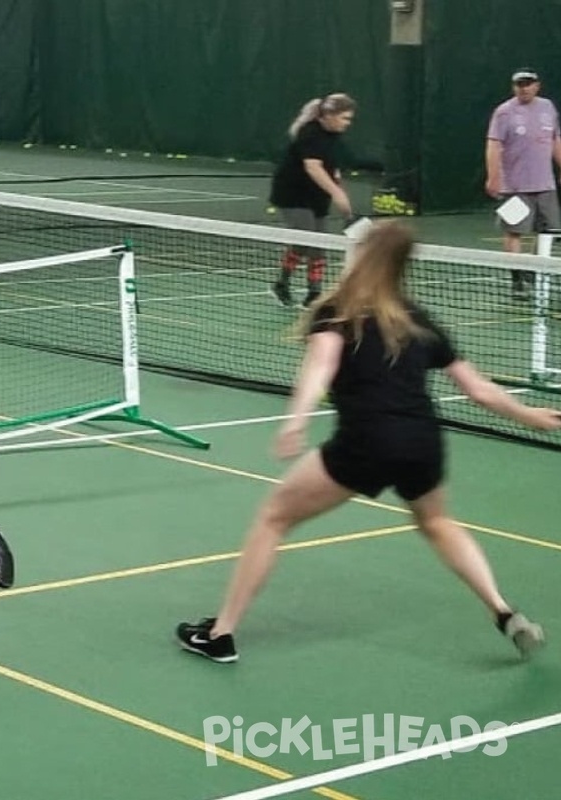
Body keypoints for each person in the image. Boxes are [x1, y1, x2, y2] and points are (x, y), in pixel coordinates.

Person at [176, 220, 559, 665]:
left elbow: (319, 366)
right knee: (437, 523)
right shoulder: (418, 319)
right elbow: (480, 390)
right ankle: (504, 612)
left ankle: (220, 634)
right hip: (422, 439)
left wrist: (295, 421)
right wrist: (530, 416)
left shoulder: (337, 311)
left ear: (361, 257)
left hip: (367, 441)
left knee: (273, 517)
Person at [268, 93, 357, 310]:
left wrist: (339, 188)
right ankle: (281, 285)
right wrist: (337, 193)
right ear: (329, 115)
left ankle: (313, 294)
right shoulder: (310, 133)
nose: (348, 123)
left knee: (319, 243)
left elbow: (330, 166)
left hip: (317, 196)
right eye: (345, 118)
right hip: (293, 194)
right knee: (305, 240)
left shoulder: (333, 135)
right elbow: (313, 167)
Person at [484, 67, 561, 300]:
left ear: (537, 85)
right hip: (515, 188)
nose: (524, 88)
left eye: (528, 84)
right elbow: (494, 145)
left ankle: (534, 271)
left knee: (550, 232)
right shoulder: (504, 113)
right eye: (519, 84)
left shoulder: (548, 107)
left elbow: (555, 139)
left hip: (545, 185)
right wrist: (494, 176)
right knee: (514, 232)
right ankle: (517, 280)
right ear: (513, 87)